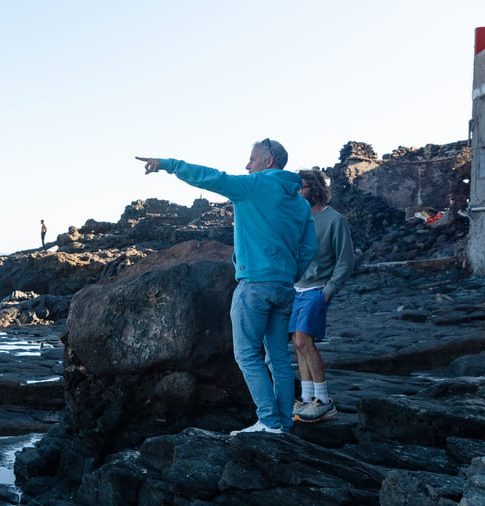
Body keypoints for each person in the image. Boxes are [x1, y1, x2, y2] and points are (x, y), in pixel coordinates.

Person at [136, 139, 315, 435]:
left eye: (251, 158)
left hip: (255, 285)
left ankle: (269, 421)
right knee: (279, 358)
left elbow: (211, 177)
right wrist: (289, 273)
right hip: (284, 287)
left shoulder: (254, 186)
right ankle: (283, 422)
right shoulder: (300, 202)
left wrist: (168, 165)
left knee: (247, 355)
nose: (247, 165)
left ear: (268, 160)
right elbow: (309, 247)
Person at [291, 169, 355, 423]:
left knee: (305, 341)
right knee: (297, 343)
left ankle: (324, 401)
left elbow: (346, 261)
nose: (299, 192)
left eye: (303, 187)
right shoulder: (298, 218)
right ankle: (307, 400)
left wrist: (328, 291)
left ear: (315, 188)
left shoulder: (335, 220)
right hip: (295, 288)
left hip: (317, 289)